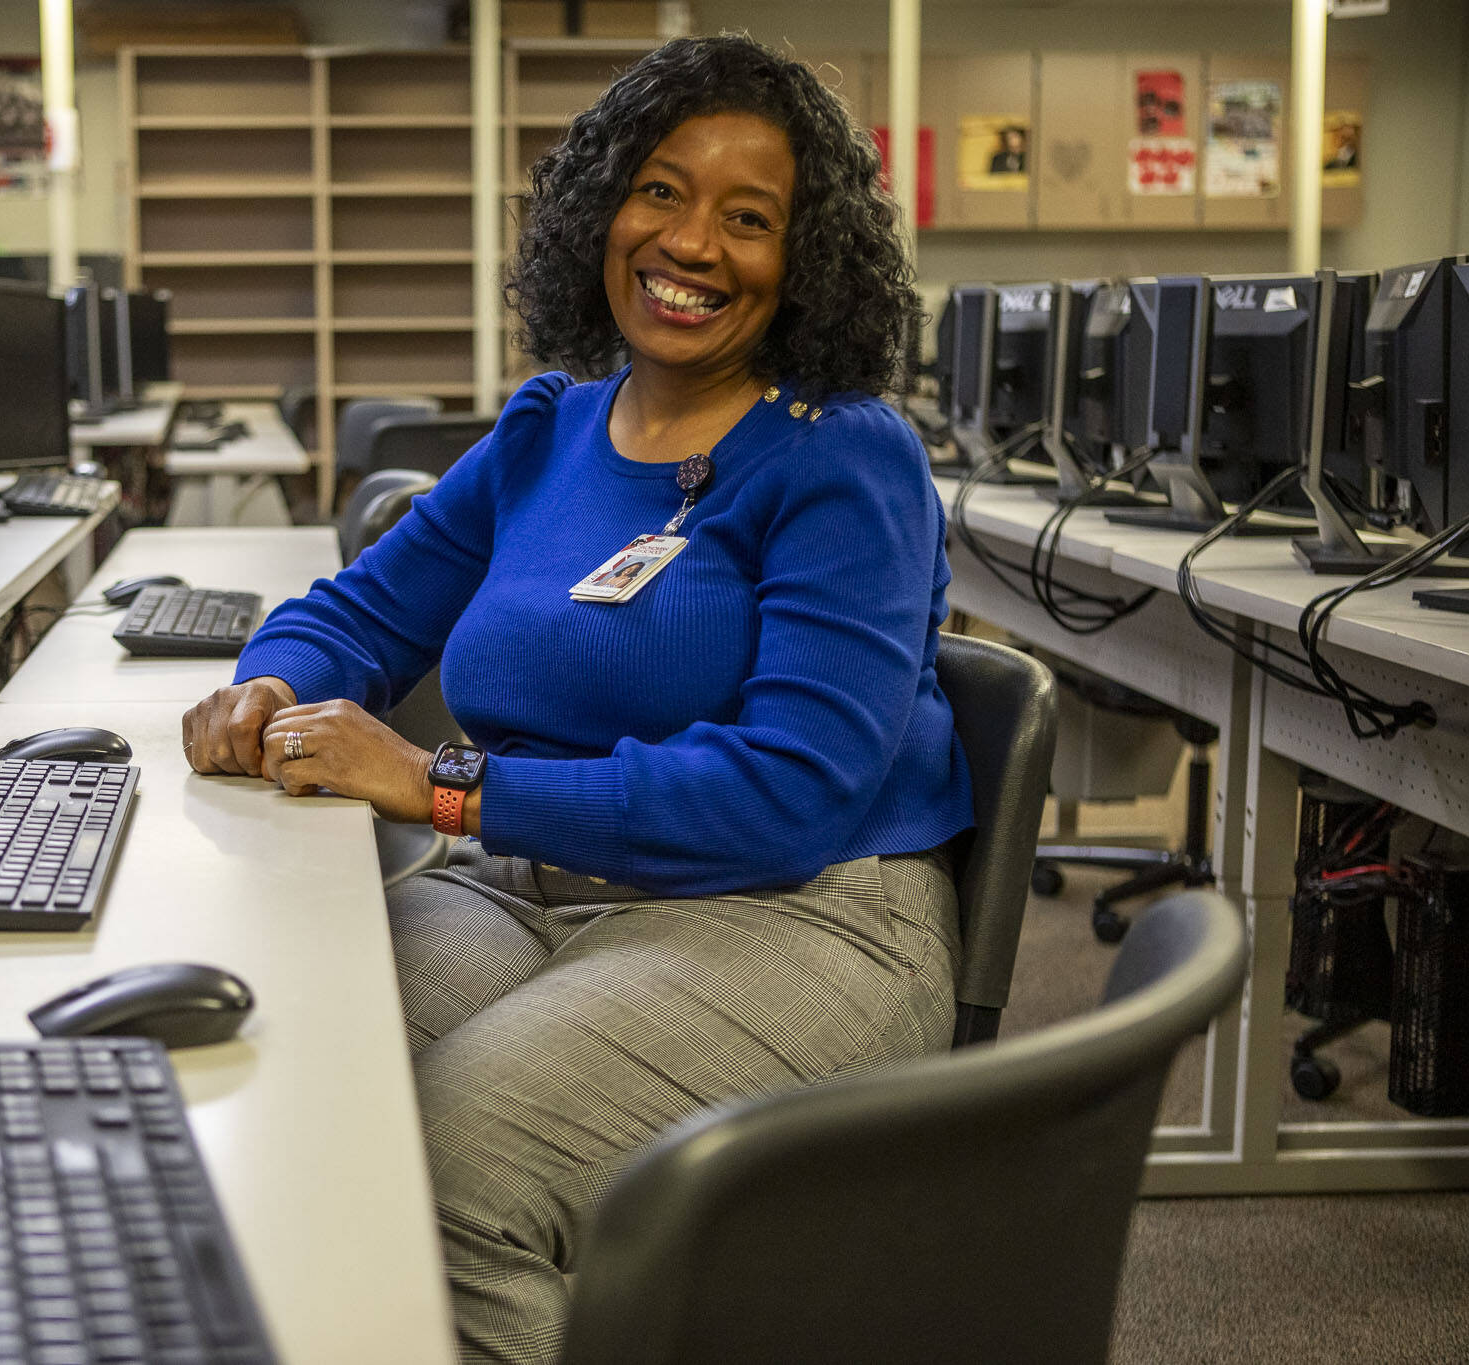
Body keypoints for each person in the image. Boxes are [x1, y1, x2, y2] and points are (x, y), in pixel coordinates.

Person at [182, 34, 972, 1364]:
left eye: (750, 217)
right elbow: (365, 610)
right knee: (297, 1076)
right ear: (601, 208)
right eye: (661, 192)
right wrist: (271, 684)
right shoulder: (550, 426)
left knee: (446, 1169)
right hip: (540, 883)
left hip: (803, 909)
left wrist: (447, 785)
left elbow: (791, 791)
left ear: (808, 257)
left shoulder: (846, 457)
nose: (694, 245)